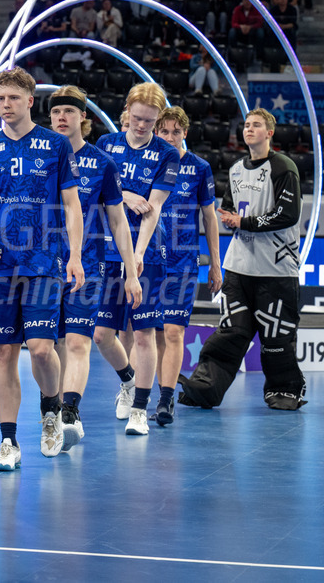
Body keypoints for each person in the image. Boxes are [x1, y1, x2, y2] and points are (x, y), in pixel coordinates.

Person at [0, 67, 84, 470]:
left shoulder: (55, 145)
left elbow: (72, 205)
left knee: (40, 348)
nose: (5, 105)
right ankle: (8, 442)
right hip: (0, 265)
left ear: (29, 101)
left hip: (44, 261)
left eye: (13, 98)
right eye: (0, 98)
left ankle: (51, 411)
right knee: (4, 351)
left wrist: (74, 255)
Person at [179, 109, 307, 411]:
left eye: (256, 125)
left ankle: (287, 390)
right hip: (238, 267)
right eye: (246, 125)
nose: (249, 129)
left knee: (276, 336)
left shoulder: (284, 168)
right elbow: (228, 210)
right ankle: (205, 388)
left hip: (276, 270)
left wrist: (244, 222)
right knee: (230, 332)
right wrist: (231, 220)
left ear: (270, 133)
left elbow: (288, 216)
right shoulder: (236, 169)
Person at [48, 85, 141, 452]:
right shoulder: (39, 155)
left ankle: (70, 411)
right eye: (56, 111)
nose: (61, 117)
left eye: (69, 111)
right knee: (50, 345)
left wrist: (131, 272)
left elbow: (118, 223)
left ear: (83, 117)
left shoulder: (101, 162)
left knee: (80, 341)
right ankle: (127, 378)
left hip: (88, 264)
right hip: (42, 265)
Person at [92, 83, 180, 436]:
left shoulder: (166, 155)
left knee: (144, 334)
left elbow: (154, 207)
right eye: (138, 118)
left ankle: (141, 409)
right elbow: (99, 196)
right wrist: (125, 194)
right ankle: (127, 380)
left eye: (150, 121)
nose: (142, 126)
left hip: (146, 256)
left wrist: (138, 256)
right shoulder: (105, 145)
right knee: (100, 335)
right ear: (127, 111)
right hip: (107, 252)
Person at [153, 106, 221, 426]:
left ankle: (166, 400)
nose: (169, 137)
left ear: (185, 133)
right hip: (150, 260)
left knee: (174, 331)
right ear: (155, 133)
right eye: (163, 131)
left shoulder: (199, 168)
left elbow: (209, 218)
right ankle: (141, 391)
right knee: (152, 334)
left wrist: (216, 266)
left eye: (175, 131)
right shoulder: (147, 164)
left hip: (183, 262)